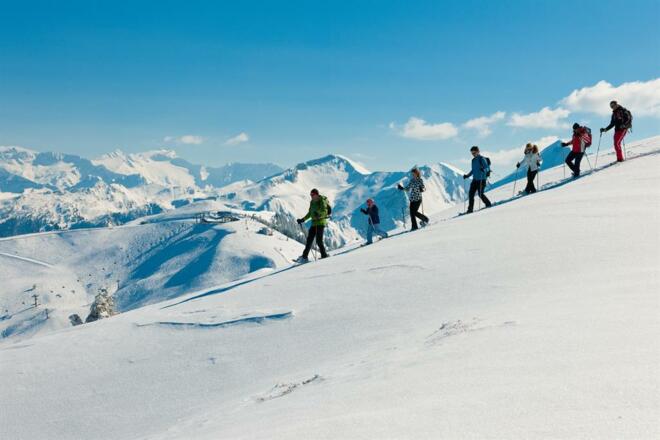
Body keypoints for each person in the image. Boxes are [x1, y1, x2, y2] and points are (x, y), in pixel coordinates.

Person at [295, 188, 330, 262]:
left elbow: (324, 211)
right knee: (309, 240)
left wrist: (319, 214)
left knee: (319, 240)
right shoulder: (312, 202)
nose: (311, 196)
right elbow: (310, 213)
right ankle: (304, 257)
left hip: (320, 223)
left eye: (312, 194)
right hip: (314, 223)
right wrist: (303, 219)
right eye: (310, 195)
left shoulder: (321, 201)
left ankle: (324, 255)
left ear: (317, 194)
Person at [462, 146, 492, 213]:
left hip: (482, 179)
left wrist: (483, 169)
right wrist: (467, 175)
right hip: (475, 180)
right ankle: (470, 209)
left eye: (474, 153)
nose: (473, 154)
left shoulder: (481, 159)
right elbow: (473, 170)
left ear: (478, 152)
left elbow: (487, 168)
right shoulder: (473, 160)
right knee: (471, 194)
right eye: (472, 153)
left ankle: (488, 204)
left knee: (480, 193)